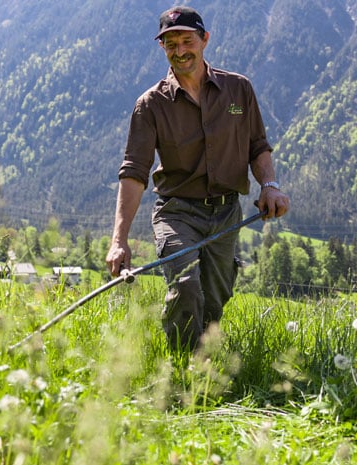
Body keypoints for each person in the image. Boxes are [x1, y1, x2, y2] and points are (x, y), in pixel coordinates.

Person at [105, 6, 290, 352]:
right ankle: (181, 368)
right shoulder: (150, 105)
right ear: (163, 48)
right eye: (170, 44)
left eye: (186, 41)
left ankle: (203, 365)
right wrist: (120, 240)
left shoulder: (239, 90)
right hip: (177, 214)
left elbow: (258, 146)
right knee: (186, 284)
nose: (180, 51)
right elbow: (133, 172)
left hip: (226, 214)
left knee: (215, 300)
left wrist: (269, 186)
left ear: (204, 40)